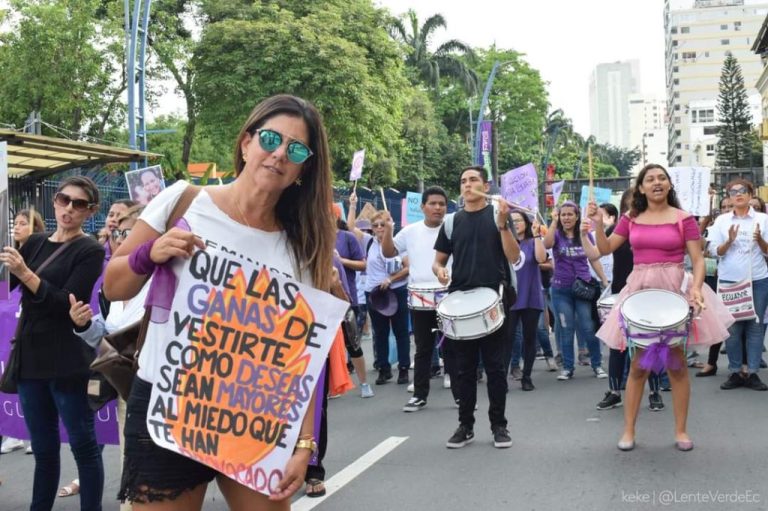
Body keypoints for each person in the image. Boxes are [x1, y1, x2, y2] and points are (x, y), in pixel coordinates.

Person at [104, 94, 334, 509]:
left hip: (255, 419)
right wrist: (149, 253)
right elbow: (113, 287)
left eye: (296, 149)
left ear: (303, 169)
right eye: (270, 138)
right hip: (166, 407)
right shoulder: (186, 200)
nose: (280, 153)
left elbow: (305, 358)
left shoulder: (302, 247)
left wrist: (304, 443)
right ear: (246, 143)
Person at [590, 163, 733, 451]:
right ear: (640, 187)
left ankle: (681, 431)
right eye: (650, 179)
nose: (657, 182)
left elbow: (698, 259)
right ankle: (628, 430)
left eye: (662, 178)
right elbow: (604, 249)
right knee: (638, 366)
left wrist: (695, 287)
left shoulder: (683, 219)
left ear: (669, 185)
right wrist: (595, 224)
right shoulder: (631, 218)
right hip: (640, 292)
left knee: (677, 364)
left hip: (673, 292)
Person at [0, 176, 106, 510]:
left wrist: (27, 275)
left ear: (91, 211)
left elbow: (66, 304)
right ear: (55, 201)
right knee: (44, 452)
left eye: (79, 204)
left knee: (83, 447)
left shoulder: (90, 249)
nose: (68, 209)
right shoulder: (34, 243)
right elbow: (7, 288)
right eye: (64, 200)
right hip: (30, 361)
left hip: (67, 362)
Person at [433, 165, 520, 449]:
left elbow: (514, 255)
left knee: (495, 368)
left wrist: (505, 224)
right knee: (464, 370)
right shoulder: (451, 221)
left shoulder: (498, 216)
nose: (467, 185)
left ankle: (499, 425)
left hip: (493, 298)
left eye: (473, 180)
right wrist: (439, 271)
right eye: (463, 181)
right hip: (460, 301)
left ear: (485, 185)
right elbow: (439, 260)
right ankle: (465, 425)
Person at [68, 207, 146, 510]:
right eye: (117, 233)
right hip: (128, 392)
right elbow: (107, 338)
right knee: (132, 469)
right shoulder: (113, 286)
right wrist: (85, 325)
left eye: (130, 233)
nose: (120, 240)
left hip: (162, 393)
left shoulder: (163, 279)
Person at [380, 186, 458, 411]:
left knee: (452, 347)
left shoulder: (453, 228)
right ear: (423, 206)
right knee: (423, 349)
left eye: (442, 204)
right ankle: (420, 394)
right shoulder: (410, 231)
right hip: (419, 298)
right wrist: (387, 229)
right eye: (432, 203)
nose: (437, 208)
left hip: (448, 297)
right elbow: (388, 252)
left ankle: (460, 395)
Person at [595, 189, 665, 412]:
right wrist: (593, 226)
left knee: (651, 343)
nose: (635, 204)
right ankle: (615, 391)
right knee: (618, 345)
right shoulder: (618, 228)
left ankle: (654, 392)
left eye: (638, 201)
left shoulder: (654, 227)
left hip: (648, 292)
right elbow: (599, 251)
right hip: (622, 291)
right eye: (630, 202)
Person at [706, 179, 768, 390]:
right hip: (730, 281)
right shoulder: (722, 221)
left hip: (758, 279)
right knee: (731, 328)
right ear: (729, 196)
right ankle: (734, 371)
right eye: (733, 192)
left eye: (743, 191)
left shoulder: (762, 219)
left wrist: (759, 240)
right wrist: (729, 241)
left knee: (756, 326)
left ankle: (752, 372)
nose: (738, 194)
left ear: (751, 194)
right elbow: (714, 252)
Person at [543, 201, 607, 381]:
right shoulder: (555, 233)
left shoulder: (585, 234)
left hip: (583, 289)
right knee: (566, 328)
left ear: (577, 216)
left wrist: (603, 279)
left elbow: (594, 258)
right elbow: (546, 244)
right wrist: (553, 223)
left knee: (588, 327)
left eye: (570, 214)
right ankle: (568, 368)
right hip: (560, 289)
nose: (566, 218)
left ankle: (597, 364)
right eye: (563, 214)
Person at [0, 208, 46, 457]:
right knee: (8, 378)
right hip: (8, 328)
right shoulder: (7, 257)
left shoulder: (40, 257)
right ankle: (11, 433)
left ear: (35, 228)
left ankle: (32, 434)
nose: (16, 227)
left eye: (22, 223)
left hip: (30, 331)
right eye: (14, 223)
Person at [332, 206, 374, 398]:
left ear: (335, 216)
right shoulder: (313, 237)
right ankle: (332, 385)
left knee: (353, 343)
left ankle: (364, 383)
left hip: (347, 299)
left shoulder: (347, 238)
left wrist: (341, 261)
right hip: (321, 301)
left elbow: (363, 264)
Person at [364, 210, 410, 385]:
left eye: (383, 224)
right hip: (374, 292)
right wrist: (352, 205)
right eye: (375, 225)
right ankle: (384, 368)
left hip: (396, 291)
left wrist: (391, 279)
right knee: (380, 331)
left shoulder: (398, 244)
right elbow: (352, 227)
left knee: (401, 331)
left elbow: (408, 268)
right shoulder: (370, 243)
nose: (379, 228)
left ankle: (404, 368)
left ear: (390, 224)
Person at [502, 211, 547, 391]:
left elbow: (541, 258)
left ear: (527, 223)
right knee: (507, 339)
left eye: (519, 220)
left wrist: (537, 235)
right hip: (510, 298)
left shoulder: (532, 241)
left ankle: (526, 376)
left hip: (531, 296)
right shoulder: (504, 242)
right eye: (512, 221)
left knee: (530, 338)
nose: (516, 223)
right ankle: (502, 378)